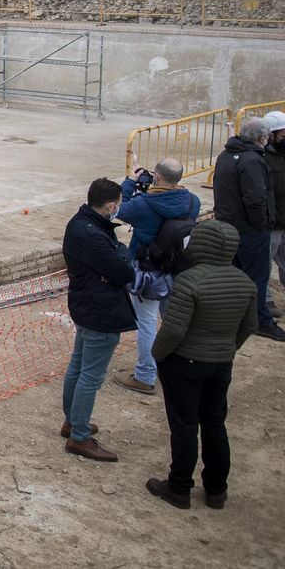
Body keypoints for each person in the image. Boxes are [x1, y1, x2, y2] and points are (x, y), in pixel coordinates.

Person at [145, 220, 256, 510]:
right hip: (221, 363)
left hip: (185, 363)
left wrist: (157, 354)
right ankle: (216, 489)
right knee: (215, 423)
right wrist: (228, 349)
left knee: (184, 427)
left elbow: (174, 330)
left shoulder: (190, 281)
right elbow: (250, 325)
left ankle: (179, 487)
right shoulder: (245, 282)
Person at [61, 177, 135, 461]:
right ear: (112, 205)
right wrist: (122, 256)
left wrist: (115, 259)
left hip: (87, 304)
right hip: (100, 310)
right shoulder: (92, 234)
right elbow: (124, 271)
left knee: (78, 367)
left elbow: (115, 263)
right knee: (90, 375)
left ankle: (73, 421)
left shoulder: (82, 222)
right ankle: (79, 435)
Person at [113, 158, 200, 395]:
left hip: (149, 273)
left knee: (147, 324)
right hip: (178, 270)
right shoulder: (193, 201)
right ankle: (176, 369)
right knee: (174, 321)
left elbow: (116, 209)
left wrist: (130, 182)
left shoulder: (145, 204)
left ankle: (145, 375)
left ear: (158, 177)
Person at [213, 116, 283, 340]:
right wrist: (262, 224)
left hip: (229, 227)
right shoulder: (252, 160)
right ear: (262, 137)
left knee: (236, 277)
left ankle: (234, 318)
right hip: (250, 231)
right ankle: (261, 322)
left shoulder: (226, 155)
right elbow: (255, 198)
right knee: (257, 279)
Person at [263, 111, 285, 312]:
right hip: (273, 220)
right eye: (282, 134)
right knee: (265, 262)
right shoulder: (262, 158)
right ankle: (266, 299)